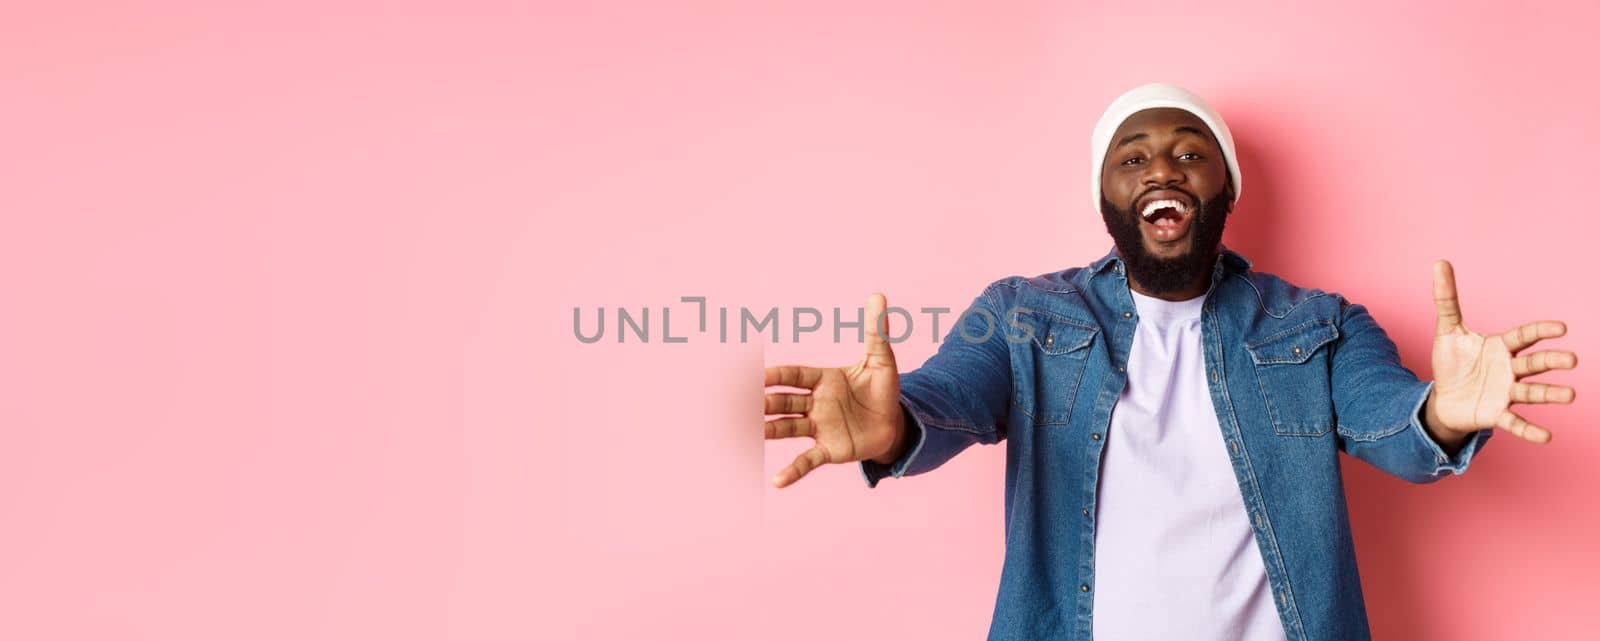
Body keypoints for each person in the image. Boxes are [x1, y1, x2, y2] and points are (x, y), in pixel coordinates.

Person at [761, 83, 1580, 641]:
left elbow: (1389, 421)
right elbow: (951, 399)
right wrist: (895, 422)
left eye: (1191, 152)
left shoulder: (1320, 323)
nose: (1162, 166)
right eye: (1134, 156)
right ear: (1107, 198)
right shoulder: (1023, 315)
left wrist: (1442, 413)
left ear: (1226, 189)